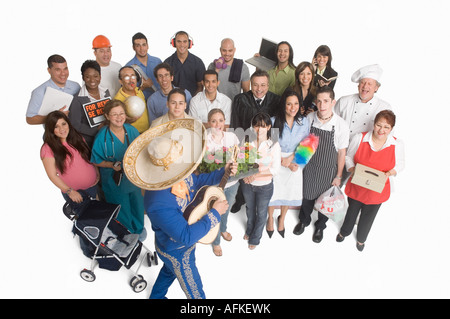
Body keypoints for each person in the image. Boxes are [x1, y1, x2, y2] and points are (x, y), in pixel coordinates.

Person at [124, 118, 237, 299]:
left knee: (169, 272)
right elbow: (186, 235)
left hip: (172, 244)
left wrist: (223, 171)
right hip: (176, 250)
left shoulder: (178, 172)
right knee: (196, 292)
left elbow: (198, 182)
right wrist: (215, 213)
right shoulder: (157, 204)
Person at [336, 110, 405, 251]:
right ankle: (344, 232)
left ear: (391, 128)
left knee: (369, 217)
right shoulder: (359, 138)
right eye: (379, 125)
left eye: (386, 127)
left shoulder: (397, 144)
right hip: (358, 186)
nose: (382, 130)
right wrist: (352, 169)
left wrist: (389, 173)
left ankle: (361, 239)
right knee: (352, 212)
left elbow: (401, 164)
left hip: (377, 189)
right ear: (374, 124)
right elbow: (348, 157)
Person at [293, 86, 349, 243]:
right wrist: (298, 164)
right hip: (309, 168)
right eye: (319, 101)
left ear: (333, 102)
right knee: (307, 199)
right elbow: (302, 144)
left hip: (329, 171)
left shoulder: (341, 125)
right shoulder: (309, 119)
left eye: (326, 101)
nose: (322, 105)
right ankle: (303, 221)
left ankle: (320, 226)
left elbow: (341, 153)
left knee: (326, 202)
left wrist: (339, 175)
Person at [90, 100, 145, 238]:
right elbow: (96, 160)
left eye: (121, 113)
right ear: (107, 116)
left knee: (137, 204)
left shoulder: (131, 130)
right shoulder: (102, 137)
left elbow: (141, 150)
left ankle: (138, 230)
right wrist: (111, 165)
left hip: (132, 177)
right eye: (114, 114)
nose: (119, 117)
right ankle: (126, 234)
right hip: (113, 181)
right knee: (122, 209)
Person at [229, 70, 280, 213]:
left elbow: (275, 126)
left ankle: (260, 202)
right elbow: (235, 123)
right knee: (243, 175)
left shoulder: (275, 100)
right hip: (246, 143)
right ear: (250, 85)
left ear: (268, 85)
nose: (259, 89)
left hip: (265, 145)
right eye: (255, 85)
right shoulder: (240, 99)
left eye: (263, 85)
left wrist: (271, 147)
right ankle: (240, 200)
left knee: (262, 172)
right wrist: (237, 145)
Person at [268, 89, 310, 238]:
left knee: (289, 192)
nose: (293, 107)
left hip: (295, 161)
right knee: (273, 192)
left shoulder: (304, 122)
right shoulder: (273, 121)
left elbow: (306, 145)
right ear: (283, 105)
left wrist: (292, 160)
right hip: (276, 161)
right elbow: (269, 147)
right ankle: (270, 218)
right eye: (289, 104)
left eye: (296, 104)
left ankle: (282, 219)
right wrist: (281, 162)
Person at [41, 111, 99, 205]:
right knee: (87, 219)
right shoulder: (47, 148)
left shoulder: (77, 138)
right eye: (56, 126)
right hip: (75, 193)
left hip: (93, 187)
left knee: (102, 217)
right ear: (51, 129)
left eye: (64, 124)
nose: (62, 129)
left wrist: (96, 171)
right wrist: (69, 191)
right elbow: (52, 175)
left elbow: (87, 158)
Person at [241, 112, 281, 249]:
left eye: (263, 126)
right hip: (248, 184)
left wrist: (255, 174)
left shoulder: (273, 145)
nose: (259, 130)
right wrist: (245, 175)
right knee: (249, 209)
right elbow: (242, 162)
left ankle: (255, 238)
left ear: (269, 127)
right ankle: (249, 230)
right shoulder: (247, 142)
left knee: (262, 213)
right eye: (257, 126)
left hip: (265, 186)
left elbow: (275, 169)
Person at [205, 109, 240, 256]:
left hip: (232, 183)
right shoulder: (205, 139)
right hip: (215, 185)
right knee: (215, 211)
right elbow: (205, 164)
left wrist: (235, 166)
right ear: (209, 123)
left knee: (226, 209)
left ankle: (223, 229)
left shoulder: (231, 136)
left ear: (225, 121)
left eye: (220, 120)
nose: (217, 124)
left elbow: (239, 156)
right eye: (213, 121)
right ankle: (216, 242)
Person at [335, 64, 392, 139]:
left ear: (376, 88)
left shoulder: (384, 107)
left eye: (369, 84)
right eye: (362, 82)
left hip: (367, 149)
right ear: (358, 85)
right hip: (341, 146)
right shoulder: (343, 101)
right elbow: (331, 123)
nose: (365, 86)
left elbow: (387, 136)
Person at [26, 54, 80, 125]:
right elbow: (30, 119)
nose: (63, 73)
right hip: (53, 134)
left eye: (65, 69)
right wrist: (54, 116)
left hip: (76, 132)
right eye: (58, 70)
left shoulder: (75, 86)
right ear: (49, 70)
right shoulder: (39, 92)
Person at [68, 60, 111, 148]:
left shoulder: (106, 92)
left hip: (108, 136)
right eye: (87, 77)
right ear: (83, 78)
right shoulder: (77, 99)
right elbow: (75, 124)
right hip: (89, 142)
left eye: (95, 76)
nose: (92, 80)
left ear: (100, 77)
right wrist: (96, 130)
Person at [164, 31, 206, 97]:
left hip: (193, 101)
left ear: (189, 43)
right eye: (179, 41)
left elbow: (200, 86)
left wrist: (193, 101)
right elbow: (165, 85)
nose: (182, 45)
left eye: (185, 41)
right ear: (174, 43)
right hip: (174, 102)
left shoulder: (198, 62)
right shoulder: (167, 63)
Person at [126, 32, 162, 101]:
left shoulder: (157, 62)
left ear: (147, 46)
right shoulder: (129, 67)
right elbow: (127, 93)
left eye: (144, 45)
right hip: (140, 105)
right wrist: (142, 87)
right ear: (133, 47)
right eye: (138, 45)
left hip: (159, 102)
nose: (142, 48)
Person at [114, 66, 149, 133]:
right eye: (127, 77)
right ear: (121, 81)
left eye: (133, 76)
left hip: (146, 132)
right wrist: (126, 121)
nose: (131, 80)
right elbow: (115, 123)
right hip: (132, 136)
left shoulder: (138, 91)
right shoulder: (117, 101)